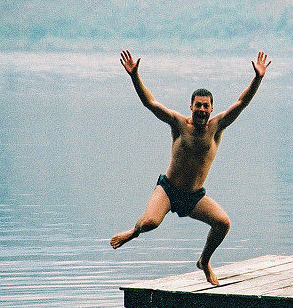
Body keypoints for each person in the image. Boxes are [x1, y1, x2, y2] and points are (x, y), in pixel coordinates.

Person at [110, 49, 271, 285]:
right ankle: (133, 233)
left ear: (212, 109)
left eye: (206, 106)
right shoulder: (178, 124)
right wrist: (135, 76)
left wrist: (257, 78)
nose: (202, 110)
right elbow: (150, 103)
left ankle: (204, 261)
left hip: (193, 196)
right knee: (149, 223)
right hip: (168, 190)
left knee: (223, 223)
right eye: (198, 106)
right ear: (191, 106)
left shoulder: (217, 127)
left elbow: (241, 103)